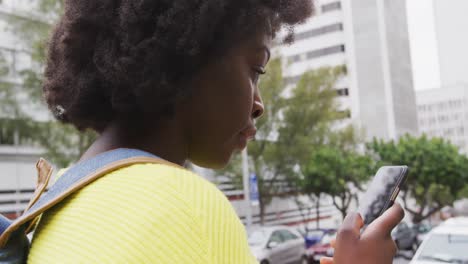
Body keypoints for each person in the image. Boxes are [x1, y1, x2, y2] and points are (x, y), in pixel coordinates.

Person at [29, 0, 404, 263]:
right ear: (186, 59)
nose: (259, 104)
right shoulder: (187, 206)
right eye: (256, 71)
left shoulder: (54, 201)